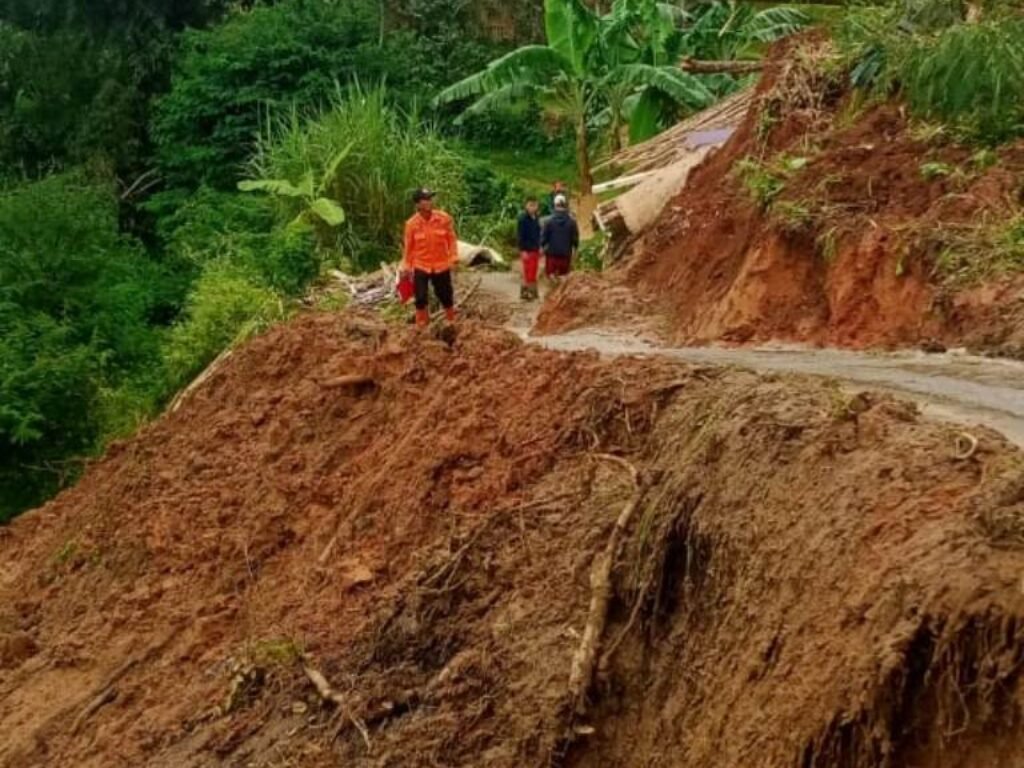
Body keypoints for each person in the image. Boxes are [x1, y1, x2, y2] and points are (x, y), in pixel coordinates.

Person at [402, 187, 459, 328]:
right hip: (421, 265)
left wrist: (453, 257)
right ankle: (421, 327)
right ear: (418, 204)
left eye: (430, 198)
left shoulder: (444, 219)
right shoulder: (411, 224)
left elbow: (452, 240)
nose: (429, 202)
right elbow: (409, 248)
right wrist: (406, 266)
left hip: (441, 265)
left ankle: (451, 323)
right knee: (420, 298)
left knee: (446, 296)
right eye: (425, 199)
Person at [541, 194, 579, 280]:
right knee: (563, 281)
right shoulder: (572, 222)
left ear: (554, 205)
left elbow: (543, 239)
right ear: (566, 205)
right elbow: (575, 240)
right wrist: (575, 252)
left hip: (551, 256)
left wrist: (543, 248)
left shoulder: (548, 222)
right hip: (565, 256)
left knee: (551, 280)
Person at [517, 197, 542, 301]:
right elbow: (520, 235)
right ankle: (527, 293)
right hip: (527, 249)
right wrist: (522, 250)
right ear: (526, 206)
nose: (533, 207)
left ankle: (531, 292)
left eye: (535, 205)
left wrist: (540, 246)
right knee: (528, 272)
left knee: (533, 271)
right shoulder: (523, 219)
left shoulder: (536, 218)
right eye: (531, 205)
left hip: (535, 248)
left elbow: (538, 233)